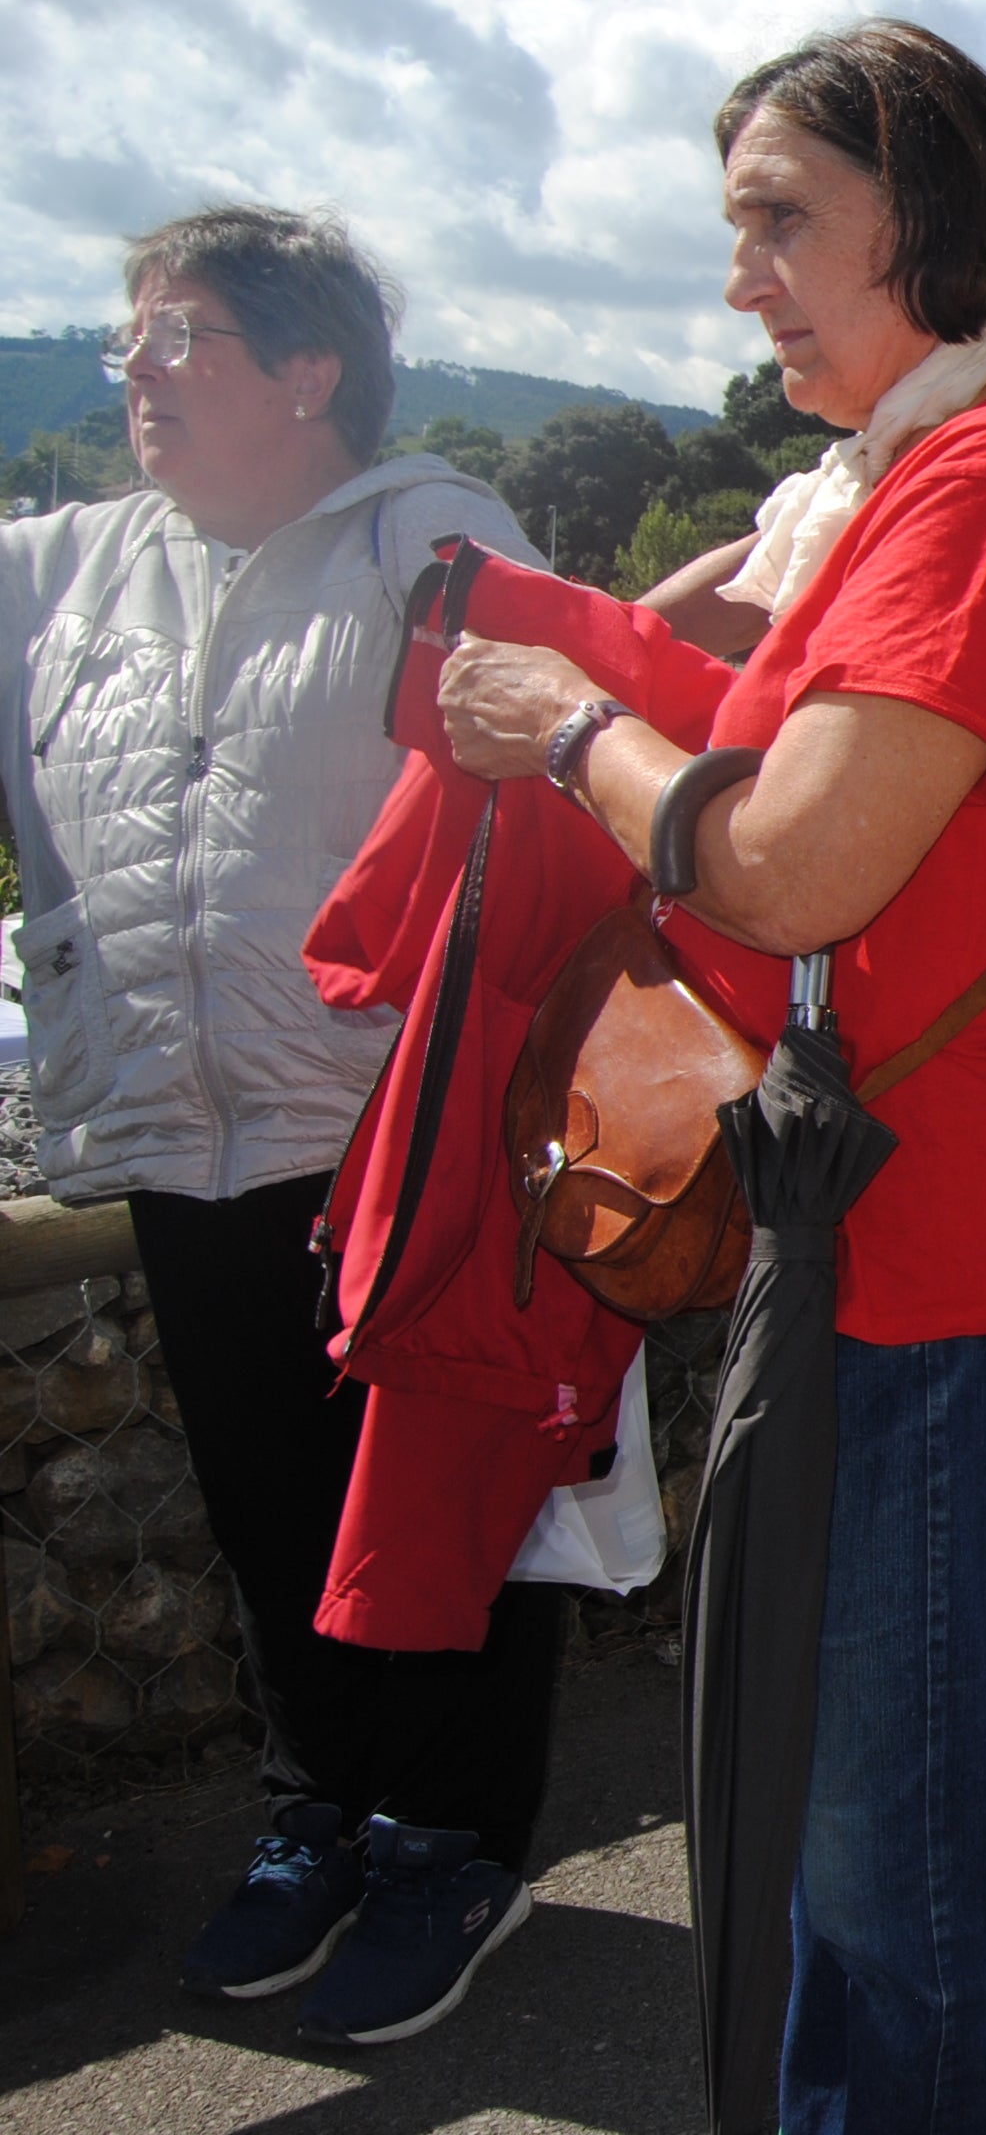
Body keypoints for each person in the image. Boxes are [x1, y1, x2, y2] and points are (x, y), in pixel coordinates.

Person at [436, 19, 986, 2123]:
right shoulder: (939, 469)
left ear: (926, 222)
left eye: (782, 218)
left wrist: (574, 730)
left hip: (929, 1244)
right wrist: (612, 676)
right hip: (906, 1212)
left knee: (895, 1861)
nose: (743, 269)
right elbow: (817, 758)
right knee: (867, 1827)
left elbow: (788, 858)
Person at [19, 211, 543, 2041]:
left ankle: (452, 1836)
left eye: (176, 337)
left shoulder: (431, 539)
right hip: (176, 1127)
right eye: (126, 342)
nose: (135, 372)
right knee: (262, 1507)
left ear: (306, 370)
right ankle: (313, 1813)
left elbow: (548, 809)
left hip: (381, 1131)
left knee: (430, 1503)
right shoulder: (73, 571)